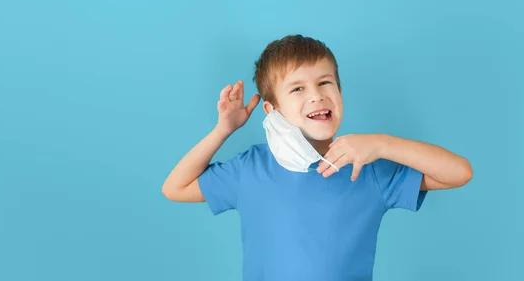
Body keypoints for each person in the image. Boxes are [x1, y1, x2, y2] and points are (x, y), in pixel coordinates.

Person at [162, 34, 473, 281]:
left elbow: (459, 172)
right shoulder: (250, 169)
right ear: (273, 110)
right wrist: (223, 130)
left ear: (339, 92)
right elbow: (175, 187)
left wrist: (382, 144)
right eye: (297, 88)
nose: (316, 95)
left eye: (325, 82)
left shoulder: (368, 168)